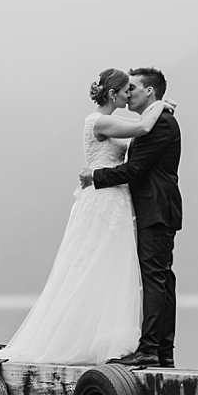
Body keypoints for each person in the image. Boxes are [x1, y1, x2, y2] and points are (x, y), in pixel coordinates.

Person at [0, 68, 168, 366]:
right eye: (125, 90)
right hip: (103, 199)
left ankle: (105, 340)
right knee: (94, 265)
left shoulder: (109, 120)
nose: (128, 95)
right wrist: (160, 105)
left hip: (114, 197)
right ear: (112, 94)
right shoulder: (100, 121)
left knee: (112, 267)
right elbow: (143, 128)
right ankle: (78, 340)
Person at [78, 67, 181, 368]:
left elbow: (136, 170)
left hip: (156, 208)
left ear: (150, 91)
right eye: (125, 88)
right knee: (161, 277)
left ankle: (151, 349)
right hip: (149, 208)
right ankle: (161, 350)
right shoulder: (147, 122)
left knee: (156, 277)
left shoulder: (160, 123)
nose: (128, 93)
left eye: (133, 87)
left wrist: (96, 176)